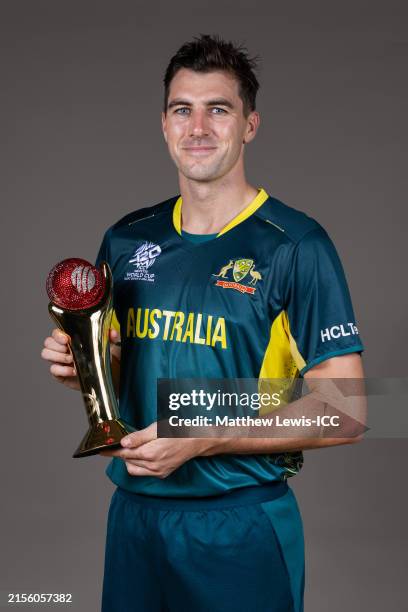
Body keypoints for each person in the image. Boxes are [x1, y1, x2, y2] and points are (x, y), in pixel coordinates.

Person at [41, 34, 365, 612]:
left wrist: (201, 436)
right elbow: (127, 366)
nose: (198, 127)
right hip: (135, 519)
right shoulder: (127, 238)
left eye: (219, 109)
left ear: (250, 125)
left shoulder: (295, 246)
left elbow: (351, 409)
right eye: (181, 109)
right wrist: (88, 368)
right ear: (163, 125)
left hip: (240, 524)